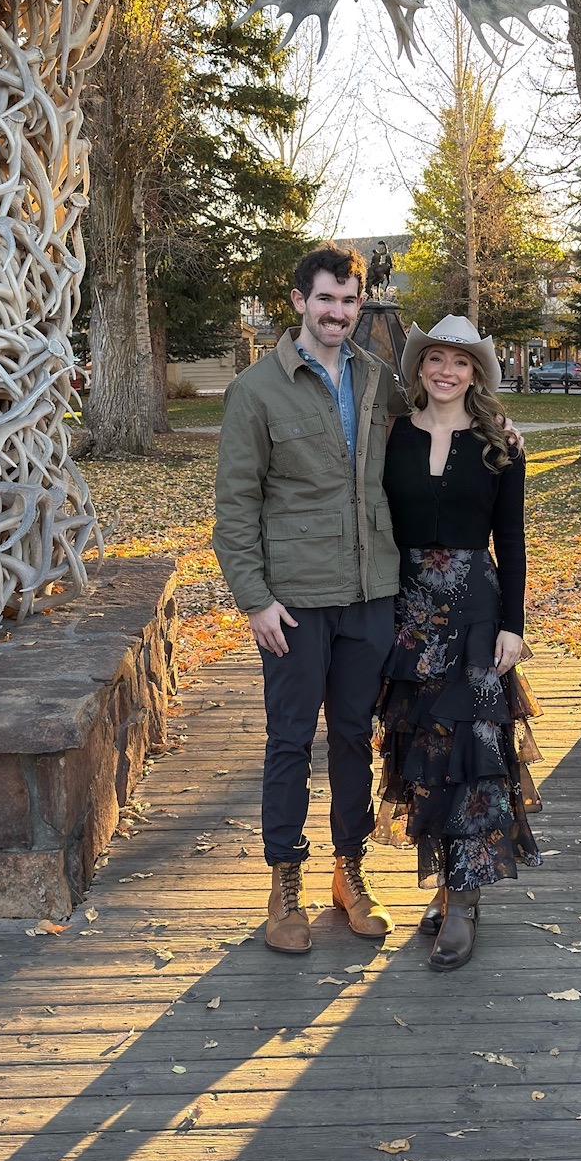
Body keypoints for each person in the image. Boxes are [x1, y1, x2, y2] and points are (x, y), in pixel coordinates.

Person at [212, 244, 402, 955]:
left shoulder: (378, 378)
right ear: (298, 302)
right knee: (290, 740)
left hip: (368, 594)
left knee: (356, 737)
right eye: (326, 299)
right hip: (291, 603)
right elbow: (235, 509)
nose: (338, 313)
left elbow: (436, 425)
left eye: (350, 301)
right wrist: (254, 600)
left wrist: (497, 426)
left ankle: (349, 872)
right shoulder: (255, 391)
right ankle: (283, 882)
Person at [376, 314, 541, 972]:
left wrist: (513, 625)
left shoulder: (501, 443)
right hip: (410, 616)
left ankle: (465, 903)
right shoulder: (391, 438)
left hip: (476, 612)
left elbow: (515, 540)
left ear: (476, 374)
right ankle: (446, 884)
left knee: (474, 758)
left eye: (461, 362)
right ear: (420, 368)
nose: (447, 370)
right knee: (424, 756)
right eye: (436, 359)